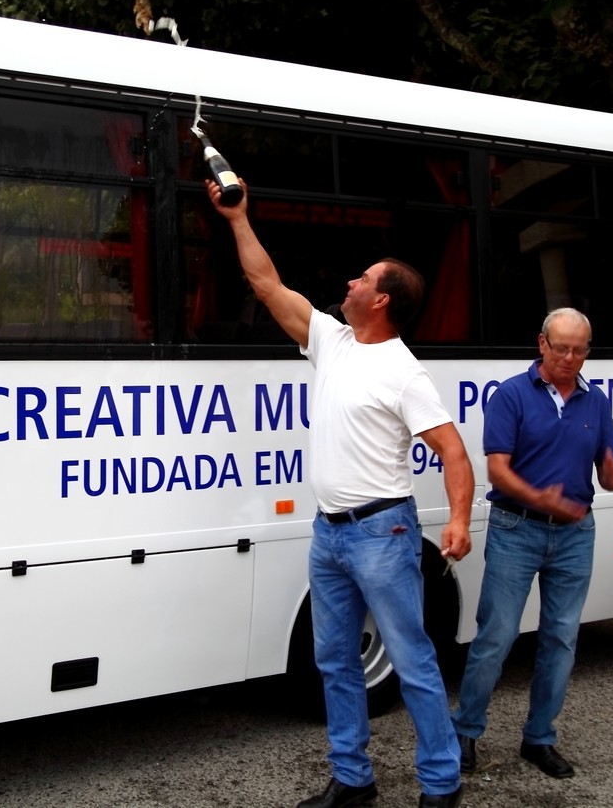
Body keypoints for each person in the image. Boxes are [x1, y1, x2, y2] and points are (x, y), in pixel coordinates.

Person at [205, 177, 474, 808]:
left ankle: (442, 785)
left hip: (384, 533)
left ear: (381, 300)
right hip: (329, 533)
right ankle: (353, 780)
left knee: (412, 661)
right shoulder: (333, 341)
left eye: (362, 278)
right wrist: (238, 219)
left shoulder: (404, 373)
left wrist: (459, 520)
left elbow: (454, 452)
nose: (349, 282)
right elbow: (267, 286)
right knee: (334, 661)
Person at [451, 308, 613, 780]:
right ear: (542, 344)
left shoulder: (596, 401)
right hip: (517, 528)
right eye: (562, 348)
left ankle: (539, 738)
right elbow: (497, 470)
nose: (570, 358)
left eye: (580, 350)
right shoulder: (511, 395)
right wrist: (540, 499)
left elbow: (607, 470)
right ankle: (465, 731)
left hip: (576, 534)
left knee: (561, 638)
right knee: (496, 635)